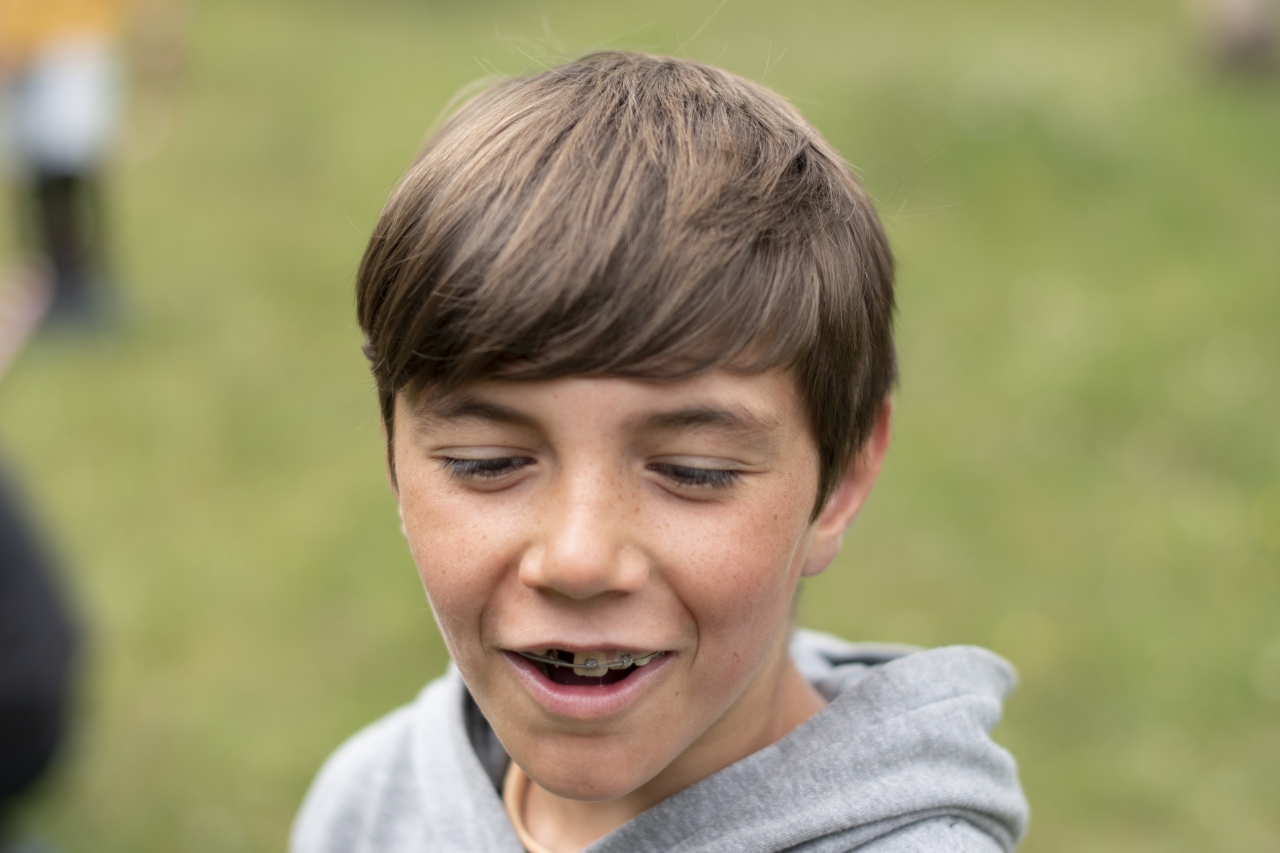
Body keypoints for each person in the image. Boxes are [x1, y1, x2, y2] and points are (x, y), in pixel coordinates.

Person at [292, 52, 1029, 853]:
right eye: (486, 460)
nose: (579, 559)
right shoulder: (370, 803)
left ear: (842, 480)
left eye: (692, 472)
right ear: (395, 463)